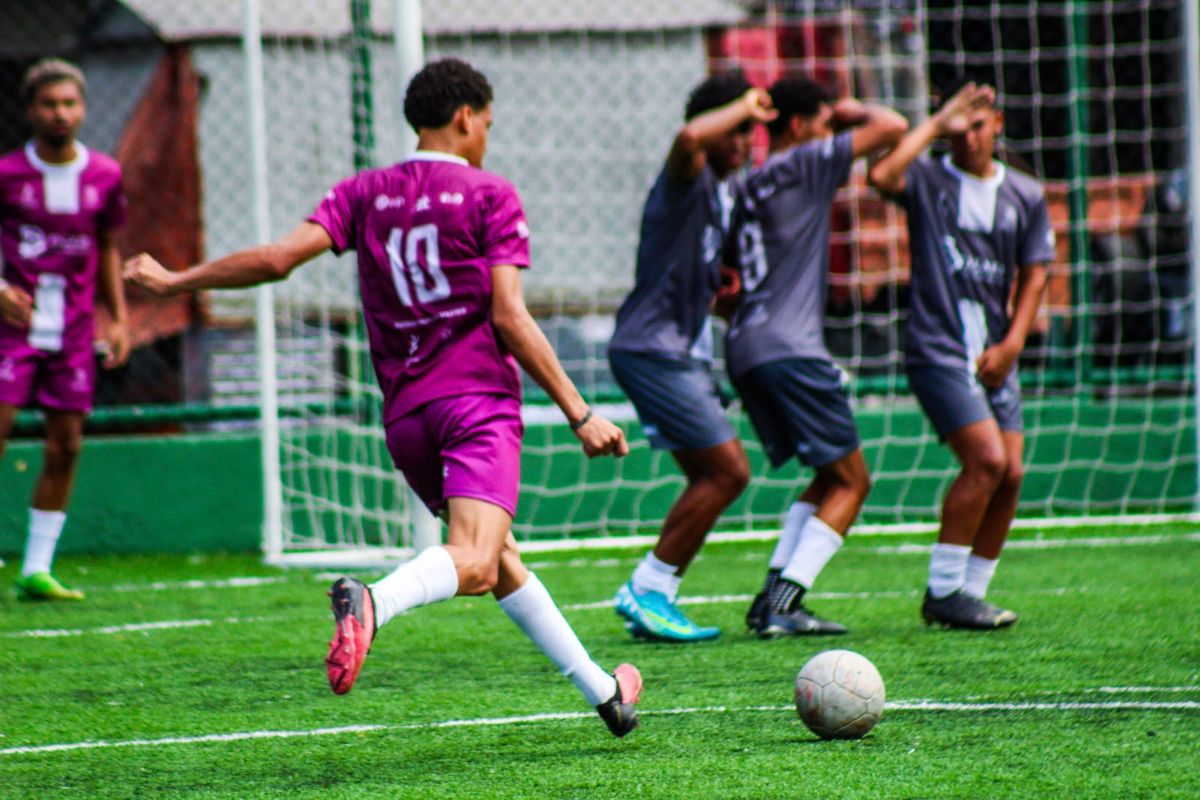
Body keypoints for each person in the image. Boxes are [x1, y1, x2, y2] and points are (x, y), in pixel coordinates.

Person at [125, 58, 643, 737]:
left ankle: (605, 695)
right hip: (476, 402)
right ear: (466, 118)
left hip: (405, 418)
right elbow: (510, 317)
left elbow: (278, 260)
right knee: (479, 559)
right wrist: (581, 412)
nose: (487, 135)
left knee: (498, 557)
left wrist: (175, 281)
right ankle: (373, 600)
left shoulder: (365, 192)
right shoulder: (491, 195)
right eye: (486, 123)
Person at [868, 81, 1053, 629]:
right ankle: (943, 591)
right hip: (937, 347)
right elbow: (881, 175)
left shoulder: (1025, 193)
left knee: (1012, 473)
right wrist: (934, 122)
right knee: (987, 460)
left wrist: (1014, 343)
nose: (967, 137)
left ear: (997, 123)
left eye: (977, 124)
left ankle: (970, 595)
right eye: (958, 126)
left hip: (996, 351)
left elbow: (1037, 272)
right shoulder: (927, 179)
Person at [726, 76, 906, 637]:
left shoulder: (747, 184)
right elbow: (892, 127)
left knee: (829, 476)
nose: (832, 134)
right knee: (854, 482)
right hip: (791, 349)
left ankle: (771, 601)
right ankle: (784, 604)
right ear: (800, 126)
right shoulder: (803, 163)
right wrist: (849, 110)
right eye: (823, 124)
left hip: (745, 347)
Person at [606, 72, 775, 643]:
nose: (744, 138)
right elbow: (686, 139)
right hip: (653, 351)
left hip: (670, 352)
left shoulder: (724, 195)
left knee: (712, 475)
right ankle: (648, 589)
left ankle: (656, 595)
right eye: (737, 125)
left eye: (751, 128)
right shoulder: (689, 173)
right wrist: (743, 103)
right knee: (729, 471)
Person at [0, 59, 130, 600]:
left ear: (83, 108)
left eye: (70, 103)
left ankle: (36, 567)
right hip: (12, 329)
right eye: (50, 104)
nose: (61, 114)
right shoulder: (7, 174)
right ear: (30, 110)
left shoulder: (105, 175)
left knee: (67, 445)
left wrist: (118, 316)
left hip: (73, 329)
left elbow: (107, 247)